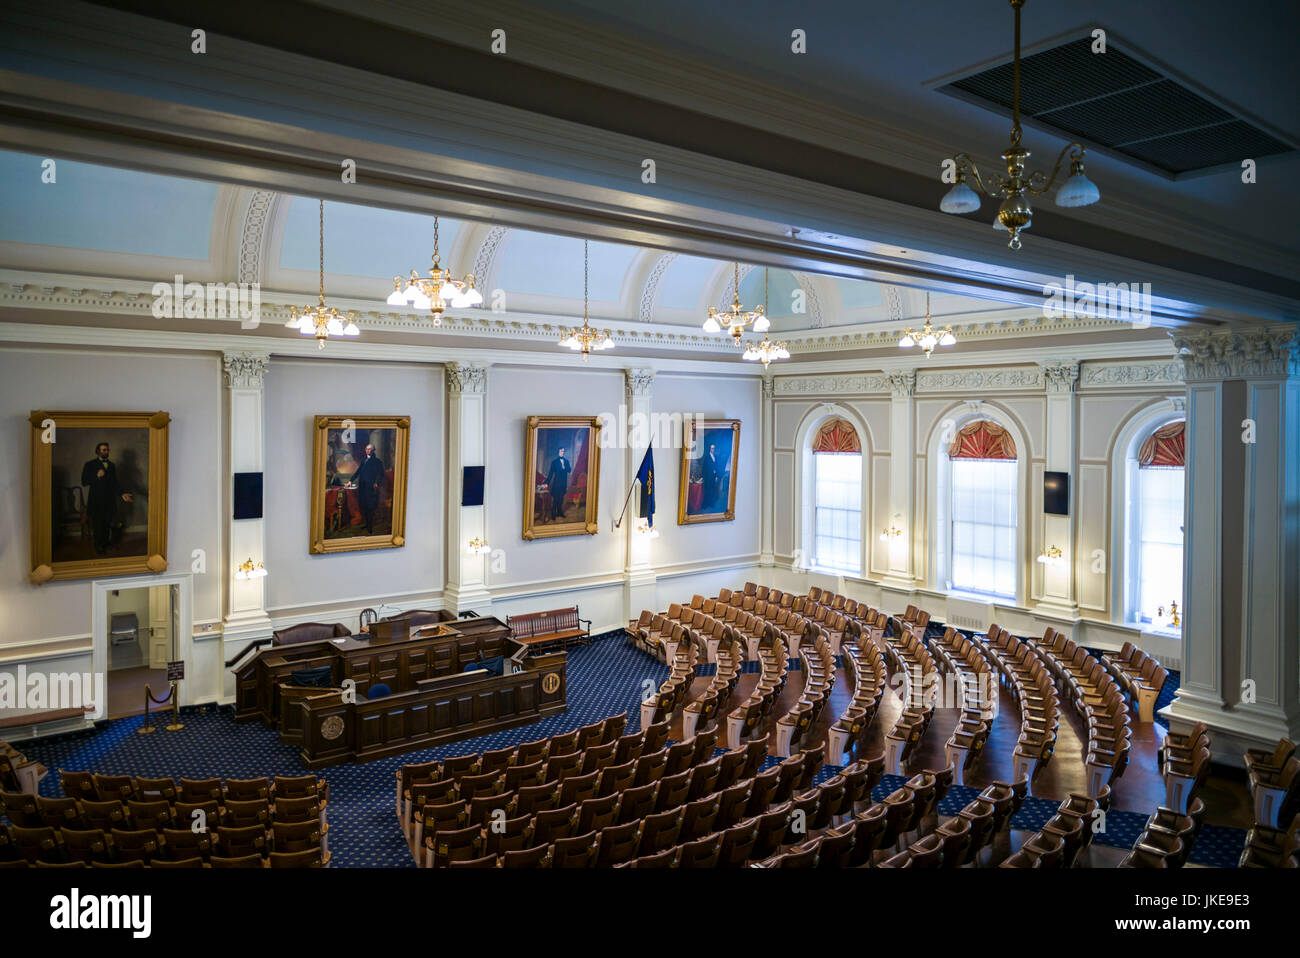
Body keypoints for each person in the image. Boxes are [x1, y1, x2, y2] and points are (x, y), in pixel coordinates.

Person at [80, 441, 134, 555]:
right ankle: (98, 546)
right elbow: (84, 482)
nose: (107, 451)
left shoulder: (112, 465)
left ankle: (105, 543)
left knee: (107, 524)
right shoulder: (89, 464)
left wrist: (122, 494)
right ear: (98, 451)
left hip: (109, 501)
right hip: (96, 501)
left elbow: (115, 484)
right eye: (104, 450)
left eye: (107, 450)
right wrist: (96, 476)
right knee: (98, 525)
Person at [350, 442, 385, 534]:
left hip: (371, 488)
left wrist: (377, 483)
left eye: (369, 449)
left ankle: (370, 527)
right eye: (366, 449)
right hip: (362, 488)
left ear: (373, 451)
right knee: (363, 506)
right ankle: (366, 524)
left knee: (370, 507)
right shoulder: (363, 460)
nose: (367, 450)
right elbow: (358, 472)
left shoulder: (377, 462)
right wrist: (350, 481)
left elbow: (381, 474)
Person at [545, 446, 572, 521]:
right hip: (556, 484)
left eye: (563, 451)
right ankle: (553, 514)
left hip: (563, 484)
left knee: (561, 499)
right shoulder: (554, 462)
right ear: (558, 452)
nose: (562, 452)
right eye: (561, 451)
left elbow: (569, 470)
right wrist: (547, 482)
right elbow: (550, 473)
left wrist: (564, 467)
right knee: (555, 500)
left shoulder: (566, 461)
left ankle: (559, 512)